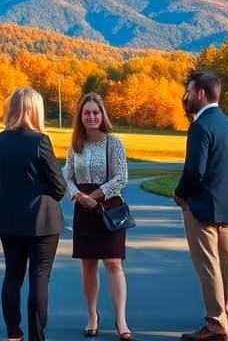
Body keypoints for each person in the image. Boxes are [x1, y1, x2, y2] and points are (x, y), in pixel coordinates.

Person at [174, 71, 228, 341]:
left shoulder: (200, 126)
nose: (186, 96)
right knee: (226, 264)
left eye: (189, 91)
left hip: (201, 207)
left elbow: (195, 170)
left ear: (200, 94)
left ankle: (215, 324)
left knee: (208, 266)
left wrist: (181, 193)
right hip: (226, 206)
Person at [0, 87, 67, 341]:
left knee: (12, 275)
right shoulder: (40, 141)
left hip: (9, 217)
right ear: (36, 110)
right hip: (41, 220)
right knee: (39, 276)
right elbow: (60, 185)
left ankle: (13, 331)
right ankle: (36, 334)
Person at [63, 93, 134, 341]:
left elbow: (121, 177)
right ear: (80, 117)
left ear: (102, 115)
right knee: (88, 264)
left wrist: (95, 194)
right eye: (87, 113)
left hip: (109, 208)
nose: (92, 116)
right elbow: (67, 177)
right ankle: (92, 315)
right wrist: (78, 196)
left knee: (114, 263)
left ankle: (121, 320)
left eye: (96, 112)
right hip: (83, 210)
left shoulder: (113, 143)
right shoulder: (75, 145)